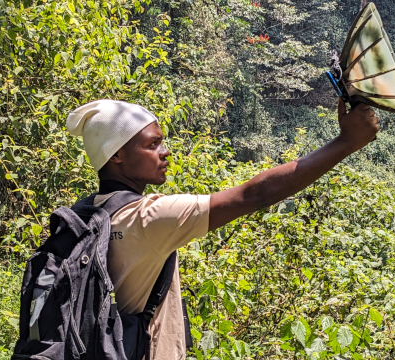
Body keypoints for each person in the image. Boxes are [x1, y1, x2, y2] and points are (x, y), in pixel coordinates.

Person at [65, 97, 378, 359]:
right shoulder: (149, 217)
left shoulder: (85, 213)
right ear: (116, 155)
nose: (165, 152)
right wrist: (347, 142)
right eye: (153, 144)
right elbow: (255, 194)